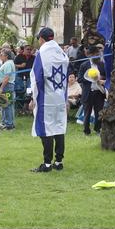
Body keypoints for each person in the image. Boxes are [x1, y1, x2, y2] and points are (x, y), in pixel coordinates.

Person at [29, 27, 69, 172]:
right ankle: (58, 161)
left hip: (46, 98)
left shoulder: (42, 54)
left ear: (41, 38)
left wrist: (33, 98)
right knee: (59, 127)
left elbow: (37, 78)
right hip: (60, 97)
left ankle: (46, 163)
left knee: (46, 129)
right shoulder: (62, 54)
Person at [78, 44, 106, 135]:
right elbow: (79, 79)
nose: (97, 55)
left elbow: (106, 76)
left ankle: (97, 129)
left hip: (98, 92)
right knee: (87, 113)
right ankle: (86, 131)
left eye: (98, 53)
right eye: (95, 54)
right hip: (88, 92)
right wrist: (90, 78)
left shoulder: (101, 65)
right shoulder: (84, 65)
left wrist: (101, 78)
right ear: (90, 54)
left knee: (99, 112)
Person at [0, 48, 16, 130]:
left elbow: (7, 77)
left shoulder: (8, 64)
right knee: (7, 105)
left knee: (7, 105)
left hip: (6, 86)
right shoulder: (9, 63)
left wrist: (1, 87)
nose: (0, 56)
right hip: (7, 86)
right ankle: (6, 122)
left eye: (2, 54)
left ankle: (9, 124)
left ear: (6, 56)